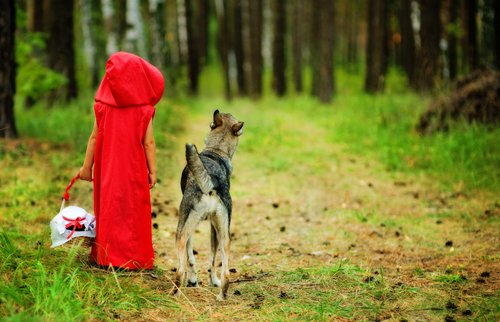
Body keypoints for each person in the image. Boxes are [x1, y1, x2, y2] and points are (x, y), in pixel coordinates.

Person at [78, 52, 164, 270]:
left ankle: (105, 257)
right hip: (134, 170)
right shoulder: (144, 110)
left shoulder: (102, 107)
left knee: (109, 209)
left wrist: (87, 167)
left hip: (107, 169)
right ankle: (135, 259)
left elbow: (95, 138)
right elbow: (149, 143)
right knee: (133, 211)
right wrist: (152, 170)